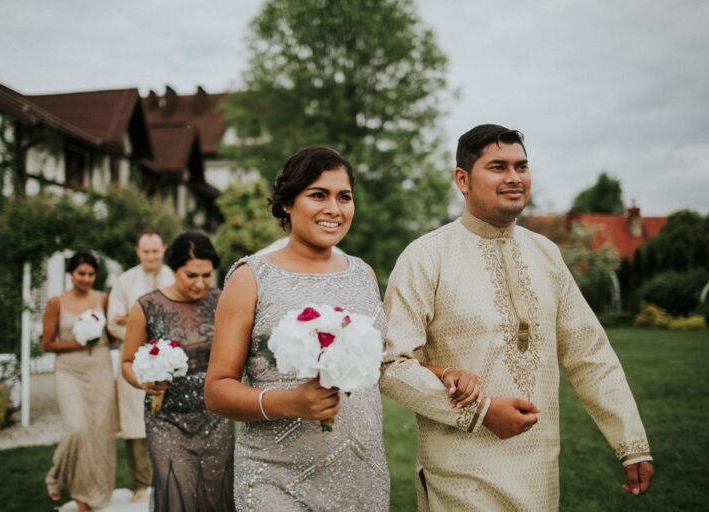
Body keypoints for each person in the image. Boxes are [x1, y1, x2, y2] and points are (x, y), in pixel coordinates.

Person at [379, 124, 655, 511]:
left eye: (521, 167)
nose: (514, 178)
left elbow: (589, 353)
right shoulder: (426, 257)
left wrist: (631, 443)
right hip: (459, 475)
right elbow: (391, 365)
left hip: (539, 473)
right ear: (463, 179)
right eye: (498, 167)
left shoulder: (546, 255)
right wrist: (482, 411)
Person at [205, 147, 473, 512]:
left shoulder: (362, 276)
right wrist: (287, 402)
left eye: (344, 197)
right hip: (275, 481)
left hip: (360, 475)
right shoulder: (251, 278)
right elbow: (217, 391)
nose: (334, 208)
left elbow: (382, 362)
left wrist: (444, 374)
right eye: (318, 195)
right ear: (287, 203)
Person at [121, 232, 235, 512]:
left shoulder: (223, 301)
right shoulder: (146, 306)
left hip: (215, 418)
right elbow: (126, 363)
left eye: (206, 275)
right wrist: (144, 381)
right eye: (191, 275)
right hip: (167, 419)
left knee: (214, 492)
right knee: (177, 492)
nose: (200, 283)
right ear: (173, 269)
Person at [42, 251, 117, 512]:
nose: (85, 278)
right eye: (81, 273)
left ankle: (87, 495)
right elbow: (47, 343)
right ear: (71, 274)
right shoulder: (56, 303)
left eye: (90, 274)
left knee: (99, 435)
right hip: (69, 373)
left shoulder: (104, 299)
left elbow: (114, 335)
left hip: (100, 371)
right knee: (77, 428)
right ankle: (57, 475)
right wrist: (80, 341)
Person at [107, 231, 174, 501]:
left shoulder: (175, 276)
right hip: (135, 360)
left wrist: (138, 325)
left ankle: (170, 477)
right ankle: (140, 483)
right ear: (137, 251)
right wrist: (141, 335)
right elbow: (113, 322)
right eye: (146, 251)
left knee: (171, 420)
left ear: (164, 249)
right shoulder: (125, 281)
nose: (150, 256)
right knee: (134, 423)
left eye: (155, 251)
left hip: (172, 359)